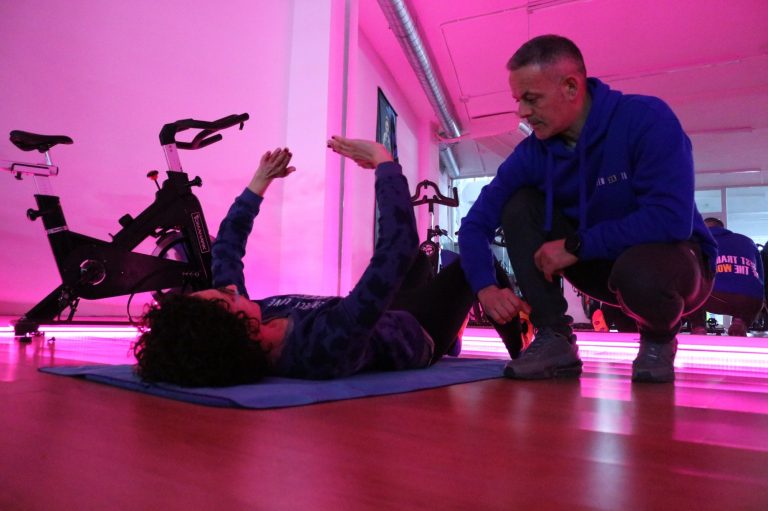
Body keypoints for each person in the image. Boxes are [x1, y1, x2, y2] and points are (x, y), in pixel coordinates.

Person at [134, 138, 515, 387]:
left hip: (385, 314)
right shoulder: (324, 347)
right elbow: (396, 246)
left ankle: (457, 327)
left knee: (420, 260)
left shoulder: (251, 324)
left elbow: (226, 249)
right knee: (473, 262)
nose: (230, 289)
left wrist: (259, 182)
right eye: (225, 298)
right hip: (420, 330)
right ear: (242, 332)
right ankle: (523, 339)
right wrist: (384, 163)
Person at [458, 34, 717, 383]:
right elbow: (474, 225)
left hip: (675, 263)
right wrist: (485, 287)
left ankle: (659, 339)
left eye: (532, 99)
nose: (522, 112)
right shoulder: (533, 154)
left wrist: (577, 245)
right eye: (518, 100)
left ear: (570, 87)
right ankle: (555, 336)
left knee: (640, 272)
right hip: (596, 264)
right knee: (520, 205)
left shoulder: (646, 119)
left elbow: (671, 220)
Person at [687, 218, 764, 336]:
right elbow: (760, 277)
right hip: (750, 300)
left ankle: (699, 326)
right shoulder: (747, 241)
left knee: (689, 289)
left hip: (713, 296)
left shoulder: (699, 241)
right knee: (754, 292)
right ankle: (740, 322)